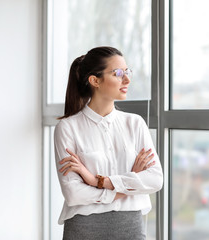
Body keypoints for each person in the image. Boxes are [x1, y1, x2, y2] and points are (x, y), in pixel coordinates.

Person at [54, 46, 163, 240]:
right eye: (118, 73)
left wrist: (99, 182)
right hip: (83, 229)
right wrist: (127, 186)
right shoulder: (68, 127)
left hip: (131, 228)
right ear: (95, 80)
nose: (127, 79)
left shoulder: (135, 123)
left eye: (127, 72)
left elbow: (155, 179)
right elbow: (73, 193)